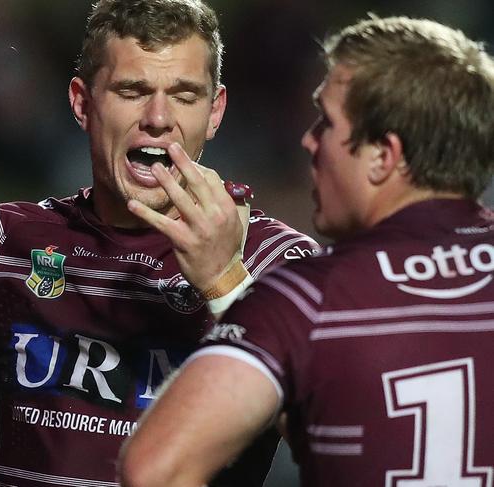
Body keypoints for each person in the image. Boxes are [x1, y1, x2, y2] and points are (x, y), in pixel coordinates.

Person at [0, 1, 318, 486]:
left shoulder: (276, 261)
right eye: (132, 91)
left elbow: (335, 429)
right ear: (82, 103)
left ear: (214, 111)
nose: (158, 117)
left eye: (184, 95)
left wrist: (224, 283)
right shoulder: (2, 241)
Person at [119, 14, 494, 487]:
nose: (309, 140)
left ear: (384, 156)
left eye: (326, 121)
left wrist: (224, 282)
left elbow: (154, 469)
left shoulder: (308, 298)